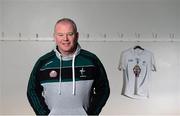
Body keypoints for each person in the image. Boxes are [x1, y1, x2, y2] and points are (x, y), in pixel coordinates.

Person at [27, 18, 110, 115]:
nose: (65, 39)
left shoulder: (91, 60)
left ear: (77, 36)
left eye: (70, 34)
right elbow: (32, 90)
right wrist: (43, 114)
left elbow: (104, 89)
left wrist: (92, 114)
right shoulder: (43, 62)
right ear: (54, 37)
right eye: (60, 35)